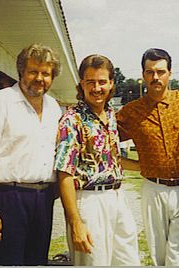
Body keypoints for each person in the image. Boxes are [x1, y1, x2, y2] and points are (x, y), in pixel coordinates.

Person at [0, 43, 62, 265]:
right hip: (8, 199)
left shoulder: (54, 107)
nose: (39, 78)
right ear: (21, 72)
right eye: (33, 72)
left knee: (36, 262)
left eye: (46, 74)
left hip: (43, 199)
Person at [116, 48, 179, 266]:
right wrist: (137, 166)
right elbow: (102, 137)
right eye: (150, 72)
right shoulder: (131, 111)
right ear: (143, 75)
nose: (156, 77)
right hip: (153, 189)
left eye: (161, 71)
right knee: (158, 255)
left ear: (170, 73)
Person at [54, 54, 140, 266]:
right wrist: (75, 223)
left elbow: (112, 159)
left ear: (111, 83)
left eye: (102, 82)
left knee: (129, 262)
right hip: (89, 202)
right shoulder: (71, 119)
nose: (96, 88)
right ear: (81, 84)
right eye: (90, 82)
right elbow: (64, 173)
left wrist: (145, 167)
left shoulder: (110, 114)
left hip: (117, 197)